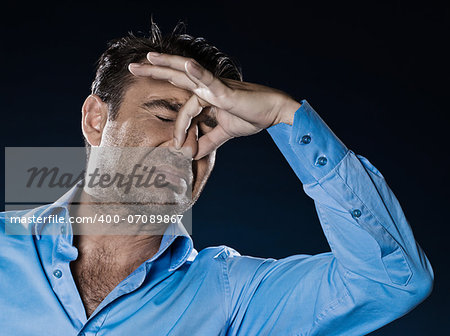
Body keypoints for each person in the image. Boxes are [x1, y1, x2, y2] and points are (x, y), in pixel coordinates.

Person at [0, 20, 433, 335]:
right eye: (166, 115)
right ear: (96, 121)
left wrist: (287, 117)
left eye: (205, 130)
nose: (186, 148)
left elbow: (392, 281)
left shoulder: (233, 298)